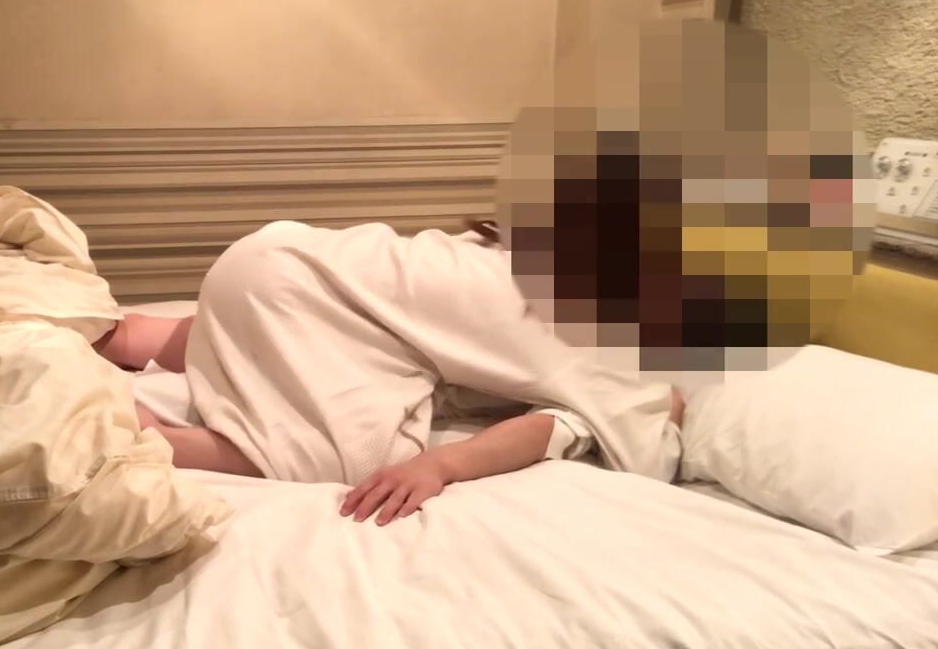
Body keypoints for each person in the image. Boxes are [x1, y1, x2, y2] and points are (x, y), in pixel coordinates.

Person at [94, 219, 685, 527]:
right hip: (288, 300)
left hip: (271, 258)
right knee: (349, 461)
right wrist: (439, 464)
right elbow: (569, 427)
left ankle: (110, 334)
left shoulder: (524, 252)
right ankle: (141, 429)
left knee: (328, 329)